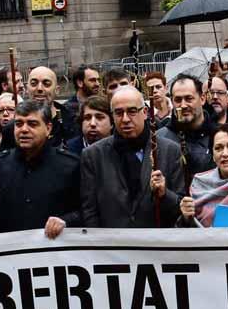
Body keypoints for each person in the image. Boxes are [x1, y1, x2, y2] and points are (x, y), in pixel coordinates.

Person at [80, 85, 186, 228]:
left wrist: (164, 193)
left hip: (157, 243)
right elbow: (89, 211)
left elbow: (181, 208)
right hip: (111, 245)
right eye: (118, 113)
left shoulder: (170, 151)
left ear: (145, 112)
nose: (125, 119)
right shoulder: (93, 155)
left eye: (132, 111)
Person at [0, 101, 81, 238]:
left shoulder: (70, 165)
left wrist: (66, 221)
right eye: (19, 124)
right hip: (10, 251)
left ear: (48, 128)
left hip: (55, 252)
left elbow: (85, 211)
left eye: (32, 124)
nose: (24, 129)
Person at [159, 75, 216, 186]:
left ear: (202, 98)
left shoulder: (219, 135)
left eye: (189, 99)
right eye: (178, 100)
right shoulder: (160, 139)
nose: (183, 105)